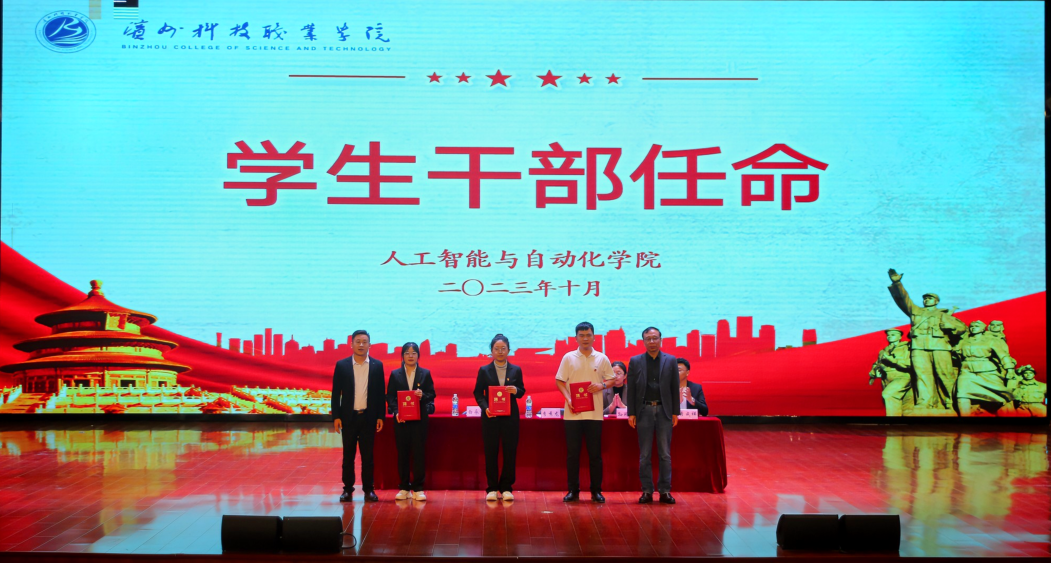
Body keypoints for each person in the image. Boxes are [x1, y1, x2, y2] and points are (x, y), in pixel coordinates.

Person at [887, 269, 966, 410]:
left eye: (930, 298)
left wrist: (950, 327)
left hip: (939, 346)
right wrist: (897, 283)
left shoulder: (943, 314)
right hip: (919, 346)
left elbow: (962, 328)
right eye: (925, 298)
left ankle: (950, 400)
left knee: (945, 373)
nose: (926, 300)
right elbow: (903, 299)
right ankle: (925, 401)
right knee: (922, 375)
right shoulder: (916, 311)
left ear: (936, 301)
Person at [555, 322, 616, 503]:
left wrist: (601, 385)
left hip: (595, 414)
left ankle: (596, 491)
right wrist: (568, 399)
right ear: (576, 338)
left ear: (594, 337)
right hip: (572, 414)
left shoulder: (602, 358)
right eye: (581, 335)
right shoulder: (568, 357)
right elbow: (559, 381)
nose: (585, 338)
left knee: (595, 455)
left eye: (588, 335)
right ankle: (573, 490)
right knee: (573, 455)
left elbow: (612, 379)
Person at [626, 327, 680, 504]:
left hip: (664, 411)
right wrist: (631, 413)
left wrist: (675, 412)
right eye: (648, 339)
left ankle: (665, 491)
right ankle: (647, 491)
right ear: (643, 341)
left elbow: (674, 387)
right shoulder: (635, 361)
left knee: (665, 454)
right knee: (645, 455)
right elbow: (631, 389)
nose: (652, 342)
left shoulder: (670, 360)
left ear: (660, 340)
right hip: (644, 411)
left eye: (655, 338)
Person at [331, 330, 386, 502]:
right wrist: (336, 416)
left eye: (364, 342)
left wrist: (381, 416)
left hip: (368, 417)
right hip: (348, 418)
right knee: (348, 456)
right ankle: (347, 489)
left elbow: (380, 393)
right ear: (351, 344)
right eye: (358, 341)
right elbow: (335, 393)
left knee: (368, 457)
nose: (361, 345)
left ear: (370, 345)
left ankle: (369, 489)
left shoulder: (377, 366)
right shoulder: (342, 365)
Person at [473, 334, 526, 502]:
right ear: (491, 351)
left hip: (510, 417)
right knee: (491, 452)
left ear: (509, 350)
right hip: (491, 417)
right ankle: (492, 488)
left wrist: (515, 391)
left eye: (503, 348)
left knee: (510, 452)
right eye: (497, 349)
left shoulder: (516, 370)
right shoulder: (484, 370)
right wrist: (485, 408)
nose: (500, 351)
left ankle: (507, 488)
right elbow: (478, 393)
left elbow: (522, 391)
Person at [386, 342, 436, 501]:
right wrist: (396, 412)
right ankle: (404, 487)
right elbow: (390, 397)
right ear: (402, 355)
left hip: (419, 420)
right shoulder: (395, 374)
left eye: (414, 353)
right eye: (407, 353)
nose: (410, 356)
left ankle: (418, 488)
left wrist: (423, 395)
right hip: (401, 420)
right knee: (403, 453)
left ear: (418, 356)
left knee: (419, 453)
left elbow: (432, 394)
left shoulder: (425, 374)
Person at [953, 320, 1016, 416]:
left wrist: (1010, 369)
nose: (973, 328)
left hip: (986, 370)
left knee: (1000, 394)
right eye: (972, 326)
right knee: (962, 394)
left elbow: (1003, 355)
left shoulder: (991, 340)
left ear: (983, 329)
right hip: (967, 370)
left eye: (976, 326)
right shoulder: (964, 341)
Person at [868, 329, 913, 416]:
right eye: (888, 335)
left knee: (889, 395)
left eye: (893, 335)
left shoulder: (906, 347)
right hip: (886, 379)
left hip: (902, 377)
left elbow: (911, 363)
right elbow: (877, 364)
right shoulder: (883, 351)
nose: (889, 337)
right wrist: (874, 372)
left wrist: (893, 360)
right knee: (904, 406)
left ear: (900, 337)